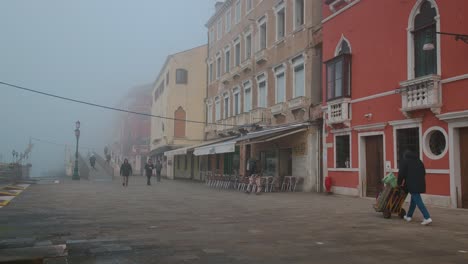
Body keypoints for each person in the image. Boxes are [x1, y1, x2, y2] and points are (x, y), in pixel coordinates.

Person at [398, 149, 432, 225]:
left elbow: (401, 174)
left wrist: (399, 183)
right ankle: (408, 216)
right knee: (414, 200)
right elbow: (424, 172)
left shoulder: (405, 162)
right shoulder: (419, 161)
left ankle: (427, 217)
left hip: (412, 184)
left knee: (418, 201)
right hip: (420, 183)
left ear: (405, 156)